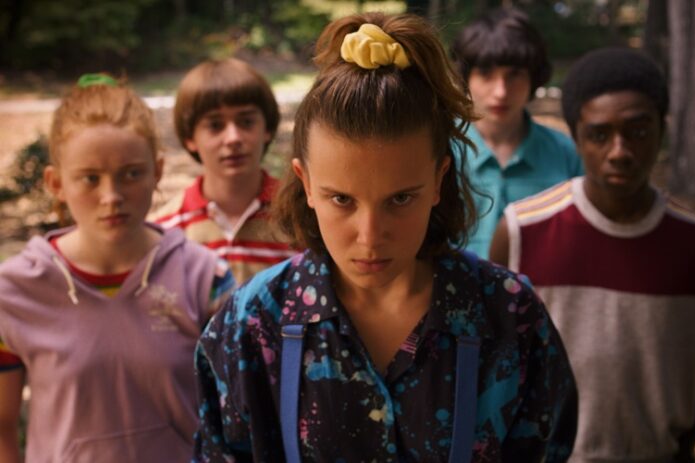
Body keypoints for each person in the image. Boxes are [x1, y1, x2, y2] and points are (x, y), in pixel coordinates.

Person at [193, 12, 577, 462]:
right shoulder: (253, 327)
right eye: (342, 199)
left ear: (439, 180)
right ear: (306, 183)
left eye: (400, 199)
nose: (370, 236)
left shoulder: (510, 320)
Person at [489, 48, 695, 463]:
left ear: (661, 130)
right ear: (577, 138)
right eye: (600, 135)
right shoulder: (523, 231)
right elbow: (493, 355)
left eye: (638, 131)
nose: (619, 151)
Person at [0, 75, 235, 462]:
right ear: (56, 183)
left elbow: (238, 415)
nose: (111, 196)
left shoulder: (205, 279)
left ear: (157, 171)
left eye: (131, 174)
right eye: (90, 178)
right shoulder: (15, 292)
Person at [450, 7, 583, 258]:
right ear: (466, 78)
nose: (501, 91)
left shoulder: (567, 153)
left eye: (514, 75)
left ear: (534, 78)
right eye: (486, 73)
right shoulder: (439, 149)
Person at [152, 57, 296, 285]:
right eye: (215, 125)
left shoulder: (299, 217)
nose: (233, 138)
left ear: (267, 128)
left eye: (246, 122)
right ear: (190, 138)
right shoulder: (166, 231)